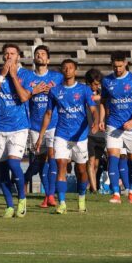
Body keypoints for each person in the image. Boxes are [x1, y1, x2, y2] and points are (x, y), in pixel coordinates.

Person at [37, 59, 98, 214]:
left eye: (70, 68)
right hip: (61, 135)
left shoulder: (84, 90)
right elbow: (49, 113)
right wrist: (40, 136)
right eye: (65, 68)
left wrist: (97, 122)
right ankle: (62, 203)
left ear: (75, 70)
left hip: (80, 136)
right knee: (61, 166)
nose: (67, 70)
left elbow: (93, 109)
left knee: (81, 169)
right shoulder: (55, 91)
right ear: (62, 71)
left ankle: (82, 198)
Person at [0, 44, 33, 218]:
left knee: (14, 164)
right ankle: (9, 205)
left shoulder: (26, 74)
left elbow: (24, 97)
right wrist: (2, 76)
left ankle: (22, 198)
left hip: (19, 126)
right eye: (6, 54)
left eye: (12, 53)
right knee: (3, 168)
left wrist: (13, 76)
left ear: (18, 56)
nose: (9, 57)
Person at [100, 51, 132, 204]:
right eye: (115, 66)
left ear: (126, 63)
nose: (118, 69)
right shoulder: (107, 81)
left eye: (120, 66)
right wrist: (101, 119)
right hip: (113, 125)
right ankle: (115, 194)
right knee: (112, 158)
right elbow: (103, 101)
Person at [25, 45, 62, 207]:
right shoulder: (27, 78)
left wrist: (52, 92)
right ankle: (47, 194)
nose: (39, 56)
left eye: (43, 54)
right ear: (34, 58)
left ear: (48, 59)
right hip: (34, 125)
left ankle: (51, 196)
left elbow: (64, 94)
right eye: (37, 54)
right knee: (40, 161)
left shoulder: (57, 77)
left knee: (52, 157)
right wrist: (34, 91)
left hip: (53, 123)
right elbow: (22, 96)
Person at [84, 69, 106, 193]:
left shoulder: (102, 94)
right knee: (90, 161)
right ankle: (94, 188)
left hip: (101, 133)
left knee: (97, 163)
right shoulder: (83, 92)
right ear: (89, 82)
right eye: (95, 84)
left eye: (98, 83)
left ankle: (89, 186)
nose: (97, 86)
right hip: (88, 132)